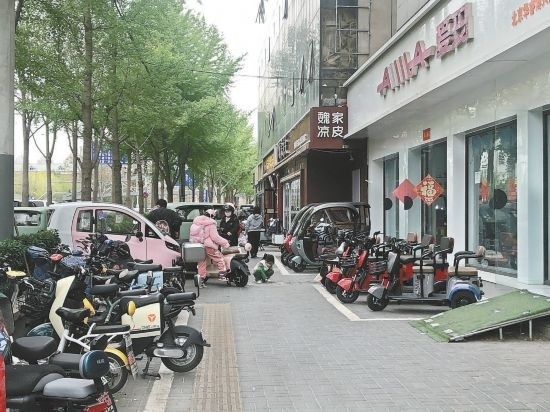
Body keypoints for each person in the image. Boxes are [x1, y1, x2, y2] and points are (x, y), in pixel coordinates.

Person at [189, 208, 230, 287]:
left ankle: (200, 281)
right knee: (219, 258)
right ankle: (222, 275)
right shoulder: (211, 223)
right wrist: (225, 243)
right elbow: (215, 237)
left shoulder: (196, 222)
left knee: (201, 262)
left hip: (198, 246)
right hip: (208, 245)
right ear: (212, 216)